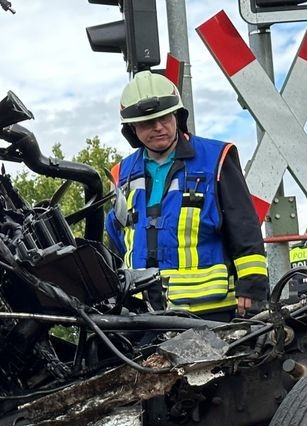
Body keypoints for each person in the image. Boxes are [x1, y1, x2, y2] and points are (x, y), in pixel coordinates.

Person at [104, 71, 268, 320]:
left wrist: (252, 287)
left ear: (177, 116)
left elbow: (244, 226)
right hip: (143, 314)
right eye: (148, 123)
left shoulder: (216, 158)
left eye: (164, 118)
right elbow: (116, 240)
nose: (159, 127)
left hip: (210, 312)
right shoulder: (120, 174)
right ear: (132, 130)